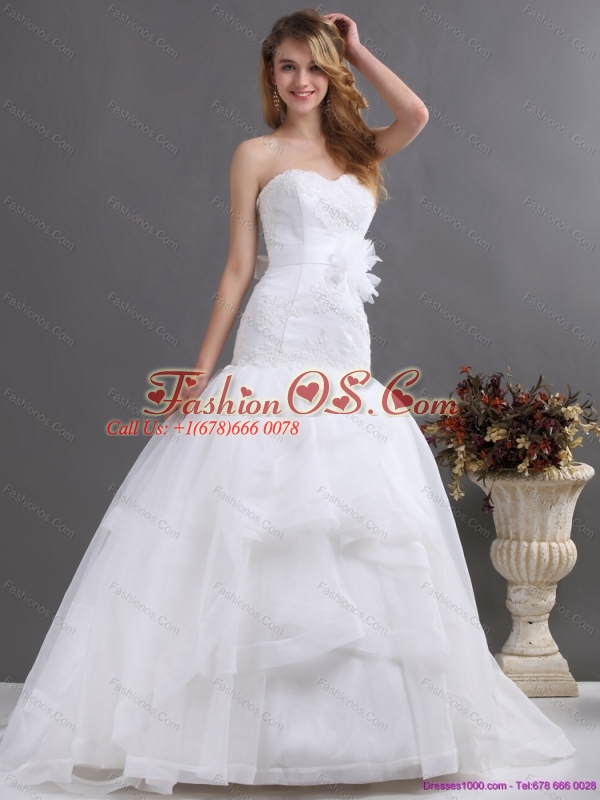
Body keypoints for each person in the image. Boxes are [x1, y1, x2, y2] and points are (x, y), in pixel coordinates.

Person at [0, 8, 575, 797]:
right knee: (257, 510)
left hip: (344, 351)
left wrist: (358, 50)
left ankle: (362, 735)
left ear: (331, 72)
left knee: (354, 519)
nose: (301, 80)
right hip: (277, 340)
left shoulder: (358, 150)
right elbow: (239, 268)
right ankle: (230, 732)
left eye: (314, 66)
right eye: (287, 67)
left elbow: (416, 114)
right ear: (270, 76)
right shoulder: (256, 154)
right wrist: (201, 372)